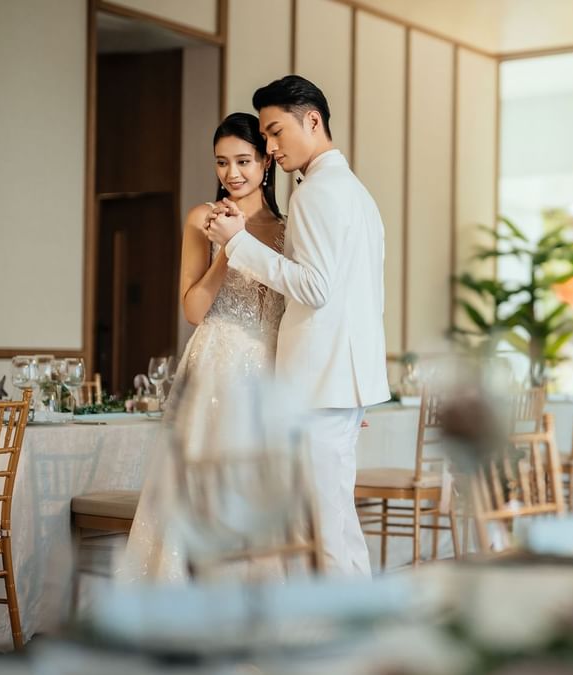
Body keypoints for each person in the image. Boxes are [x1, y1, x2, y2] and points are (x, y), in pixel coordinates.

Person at [205, 75, 389, 577]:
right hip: (340, 380)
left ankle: (338, 643)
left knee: (322, 527)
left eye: (275, 131)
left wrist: (239, 245)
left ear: (312, 120)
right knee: (336, 522)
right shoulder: (356, 193)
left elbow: (315, 288)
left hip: (318, 383)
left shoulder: (317, 193)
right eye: (265, 135)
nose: (270, 146)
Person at [117, 112, 286, 583]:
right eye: (222, 163)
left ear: (266, 163)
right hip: (213, 365)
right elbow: (193, 310)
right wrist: (226, 248)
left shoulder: (288, 228)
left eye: (244, 161)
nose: (232, 174)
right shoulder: (201, 218)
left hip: (266, 372)